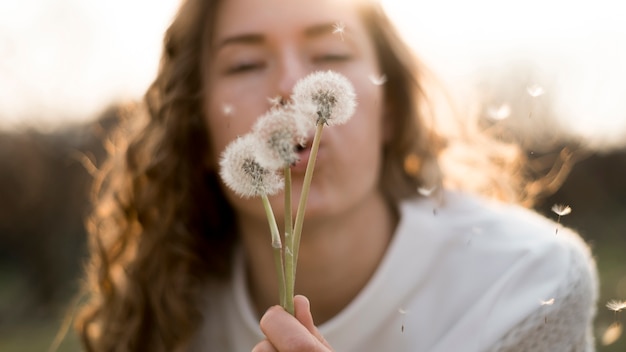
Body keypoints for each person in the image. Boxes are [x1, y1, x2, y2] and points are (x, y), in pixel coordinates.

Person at [74, 0, 598, 351]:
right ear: (197, 123)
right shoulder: (168, 313)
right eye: (244, 65)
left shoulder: (528, 283)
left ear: (390, 108)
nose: (289, 86)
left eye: (330, 54)